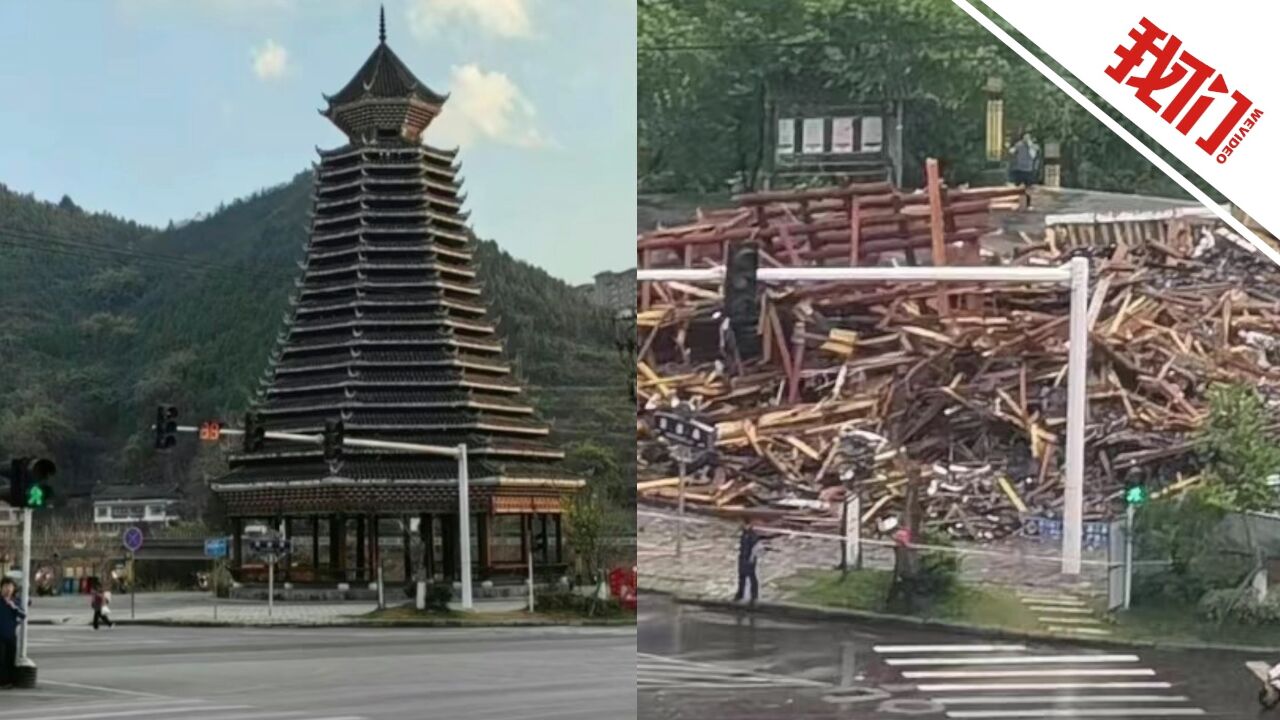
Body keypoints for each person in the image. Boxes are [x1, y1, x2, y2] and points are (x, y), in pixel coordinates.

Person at [0, 577, 25, 688]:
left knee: (10, 658)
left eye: (10, 587)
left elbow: (23, 615)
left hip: (10, 635)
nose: (8, 589)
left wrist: (13, 606)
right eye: (5, 586)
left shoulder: (15, 602)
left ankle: (8, 681)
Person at [734, 517, 763, 604]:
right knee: (741, 577)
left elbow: (756, 547)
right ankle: (740, 595)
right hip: (742, 557)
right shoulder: (744, 534)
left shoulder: (752, 535)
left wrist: (751, 557)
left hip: (749, 558)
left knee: (752, 577)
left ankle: (754, 596)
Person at [1008, 131, 1041, 208]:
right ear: (1023, 138)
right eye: (1025, 137)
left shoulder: (1032, 146)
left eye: (1028, 137)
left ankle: (1028, 204)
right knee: (1017, 188)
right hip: (1019, 169)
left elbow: (1033, 155)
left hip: (1028, 170)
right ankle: (1015, 203)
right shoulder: (1019, 144)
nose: (1026, 139)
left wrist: (1030, 146)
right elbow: (1012, 151)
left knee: (1028, 189)